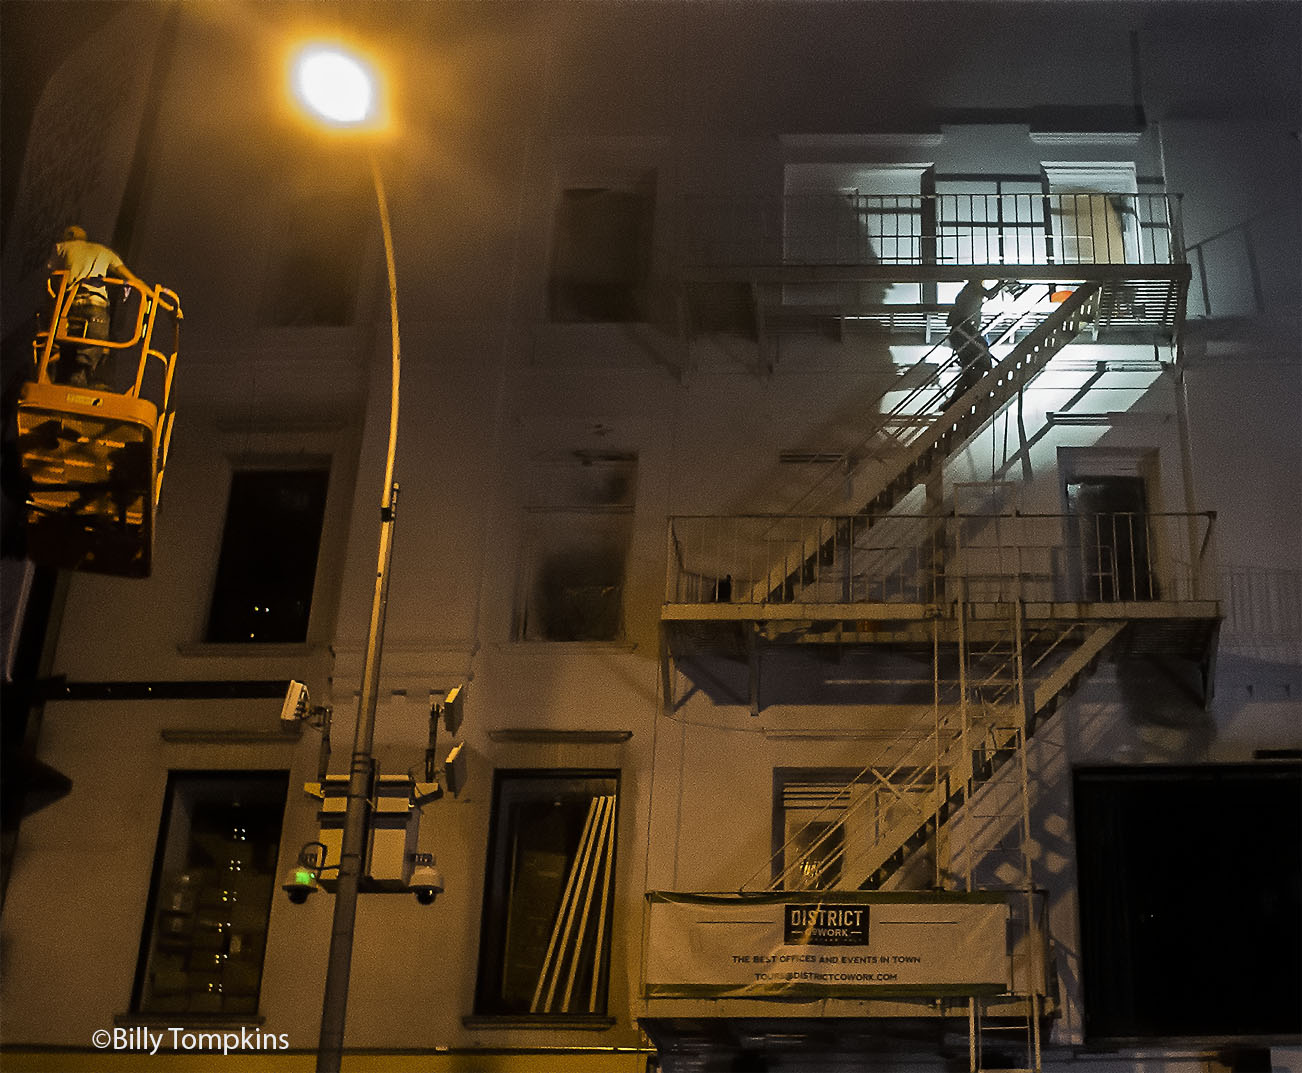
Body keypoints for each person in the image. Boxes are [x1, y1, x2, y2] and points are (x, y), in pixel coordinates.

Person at [44, 226, 147, 388]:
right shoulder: (104, 251)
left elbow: (51, 276)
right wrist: (161, 301)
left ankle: (65, 381)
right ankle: (86, 379)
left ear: (70, 235)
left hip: (68, 308)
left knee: (65, 347)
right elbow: (134, 280)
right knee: (94, 349)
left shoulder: (61, 247)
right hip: (96, 306)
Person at [942, 278, 1001, 409]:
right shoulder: (973, 287)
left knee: (970, 368)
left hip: (957, 333)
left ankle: (956, 400)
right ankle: (979, 387)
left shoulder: (967, 291)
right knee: (983, 356)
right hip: (963, 329)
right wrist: (1001, 282)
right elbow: (990, 295)